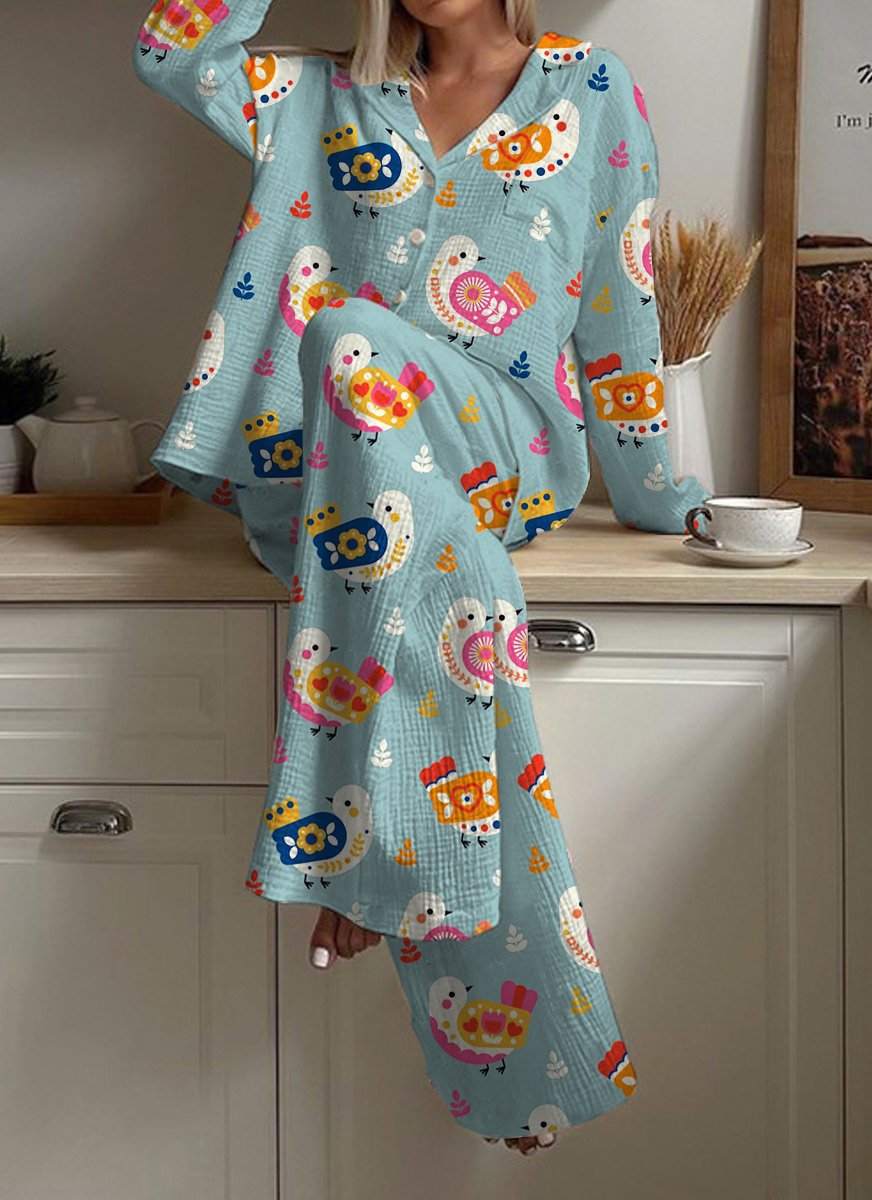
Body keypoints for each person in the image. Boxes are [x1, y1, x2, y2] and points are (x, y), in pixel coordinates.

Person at [132, 0, 710, 1157]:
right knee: (449, 583)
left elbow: (621, 309)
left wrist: (661, 497)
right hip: (335, 482)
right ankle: (429, 913)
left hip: (501, 448)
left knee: (346, 337)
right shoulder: (325, 94)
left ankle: (363, 857)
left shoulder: (591, 92)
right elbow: (171, 49)